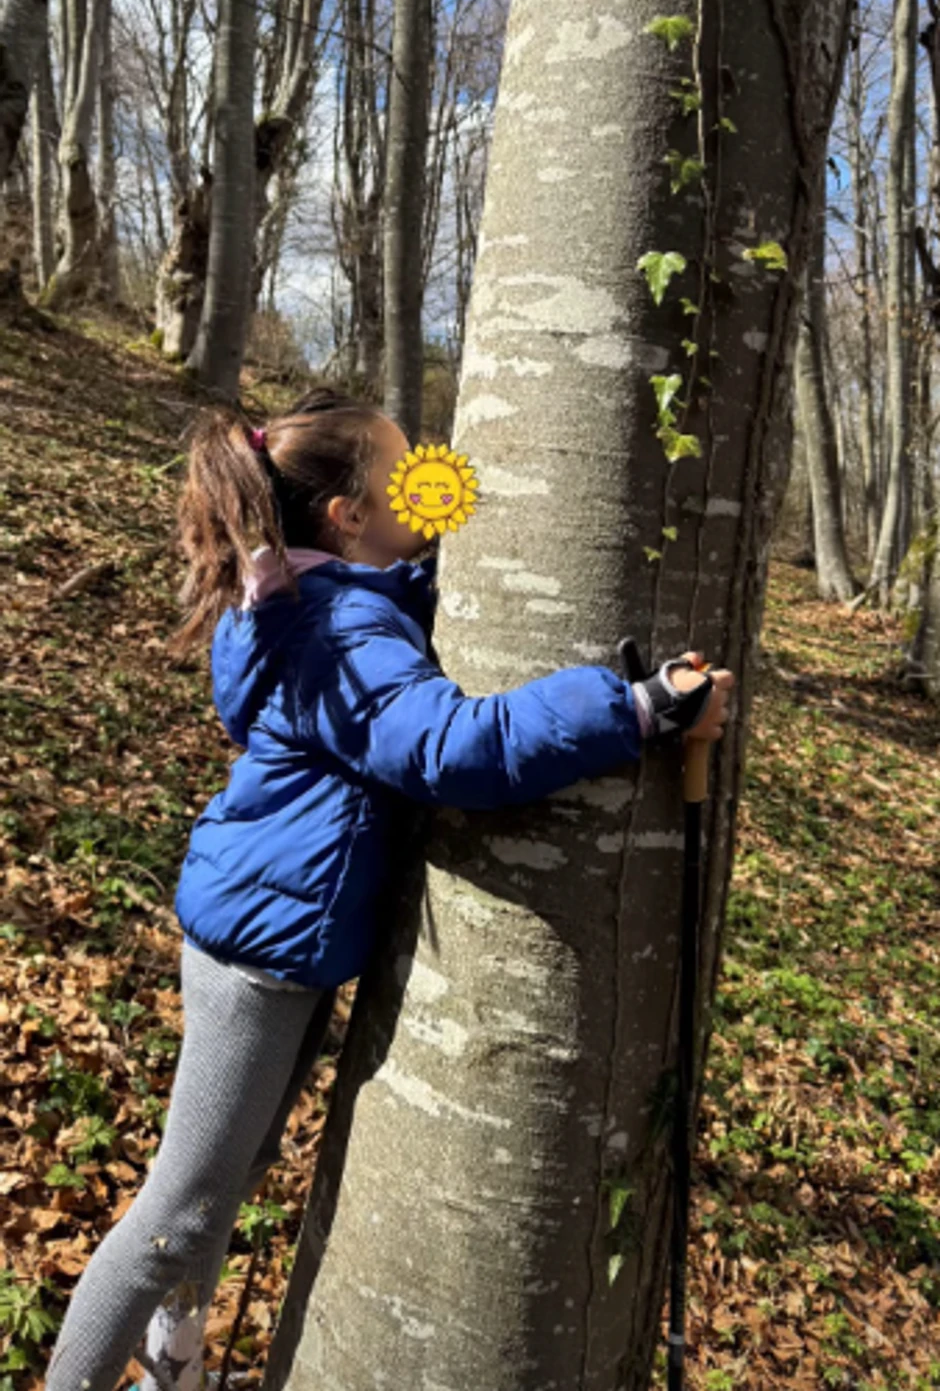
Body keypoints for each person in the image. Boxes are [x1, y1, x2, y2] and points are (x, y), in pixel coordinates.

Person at [44, 388, 735, 1391]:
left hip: (263, 931)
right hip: (257, 956)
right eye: (400, 473)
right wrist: (633, 706)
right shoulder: (333, 631)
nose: (424, 486)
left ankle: (172, 1371)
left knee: (218, 1181)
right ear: (346, 516)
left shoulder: (302, 596)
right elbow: (452, 747)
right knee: (182, 1205)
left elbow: (384, 627)